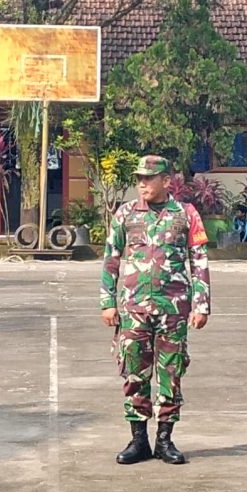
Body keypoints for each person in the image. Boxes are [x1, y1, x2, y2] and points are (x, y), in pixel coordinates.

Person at [100, 157, 212, 465]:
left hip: (173, 309)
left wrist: (201, 306)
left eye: (149, 178)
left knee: (171, 373)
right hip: (134, 308)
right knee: (134, 372)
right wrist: (107, 301)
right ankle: (138, 440)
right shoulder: (125, 214)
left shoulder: (186, 214)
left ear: (166, 180)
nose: (142, 183)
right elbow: (111, 259)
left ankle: (165, 439)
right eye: (139, 178)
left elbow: (198, 260)